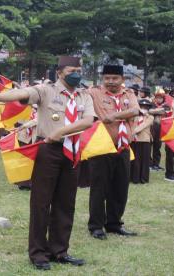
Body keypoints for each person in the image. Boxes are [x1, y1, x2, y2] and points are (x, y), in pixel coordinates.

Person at [0, 56, 95, 270]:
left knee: (66, 202)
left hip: (72, 150)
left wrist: (61, 131)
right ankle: (38, 254)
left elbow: (88, 121)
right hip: (47, 150)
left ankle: (59, 250)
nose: (76, 73)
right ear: (60, 72)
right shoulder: (46, 90)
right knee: (41, 202)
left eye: (79, 69)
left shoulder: (84, 95)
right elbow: (21, 93)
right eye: (72, 70)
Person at [87, 65, 139, 240]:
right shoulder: (94, 93)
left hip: (123, 148)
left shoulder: (129, 95)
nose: (110, 81)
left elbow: (135, 110)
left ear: (122, 80)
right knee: (99, 188)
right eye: (107, 78)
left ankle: (114, 224)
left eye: (115, 78)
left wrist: (114, 117)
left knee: (120, 187)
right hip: (102, 147)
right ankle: (96, 226)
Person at [131, 99, 154, 184]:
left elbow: (143, 126)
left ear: (148, 108)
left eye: (145, 107)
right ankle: (135, 178)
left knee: (145, 160)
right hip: (135, 140)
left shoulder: (150, 117)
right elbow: (131, 125)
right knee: (136, 160)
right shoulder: (135, 116)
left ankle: (144, 179)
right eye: (142, 106)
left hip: (145, 140)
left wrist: (133, 131)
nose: (143, 108)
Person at [149, 87, 172, 172]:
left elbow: (164, 111)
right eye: (157, 97)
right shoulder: (152, 104)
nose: (158, 99)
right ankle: (150, 164)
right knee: (149, 145)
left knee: (157, 146)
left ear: (163, 98)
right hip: (152, 127)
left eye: (160, 97)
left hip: (161, 128)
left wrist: (154, 111)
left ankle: (156, 164)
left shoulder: (166, 105)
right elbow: (149, 111)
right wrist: (158, 110)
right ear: (155, 97)